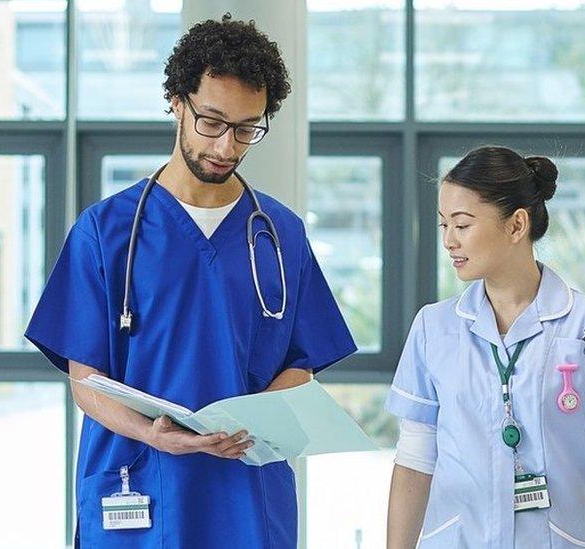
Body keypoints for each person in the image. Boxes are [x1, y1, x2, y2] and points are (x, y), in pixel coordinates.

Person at [24, 15, 356, 548]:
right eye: (212, 122)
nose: (226, 146)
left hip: (246, 490)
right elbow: (85, 380)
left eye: (247, 128)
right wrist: (152, 434)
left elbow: (302, 362)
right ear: (177, 101)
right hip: (138, 481)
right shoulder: (106, 232)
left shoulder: (280, 234)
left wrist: (254, 420)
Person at [384, 146, 585, 548]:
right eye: (443, 225)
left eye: (462, 225)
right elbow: (414, 460)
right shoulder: (433, 328)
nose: (448, 241)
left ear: (517, 225)